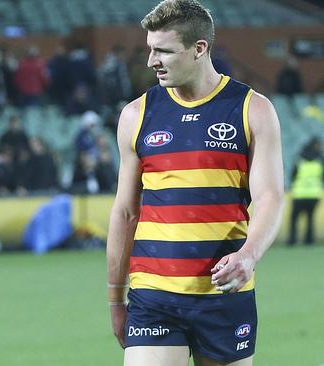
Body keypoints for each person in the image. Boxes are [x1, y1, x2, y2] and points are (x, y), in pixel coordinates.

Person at [105, 1, 284, 365]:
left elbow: (270, 197)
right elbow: (125, 212)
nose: (151, 61)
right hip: (153, 295)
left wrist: (249, 257)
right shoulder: (137, 115)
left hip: (224, 292)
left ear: (199, 49)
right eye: (150, 49)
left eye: (164, 51)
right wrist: (115, 297)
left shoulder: (252, 109)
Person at [288, 137, 323, 245]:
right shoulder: (320, 160)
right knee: (310, 218)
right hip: (314, 194)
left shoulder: (299, 159)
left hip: (299, 194)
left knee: (294, 218)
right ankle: (309, 240)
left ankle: (292, 240)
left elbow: (293, 176)